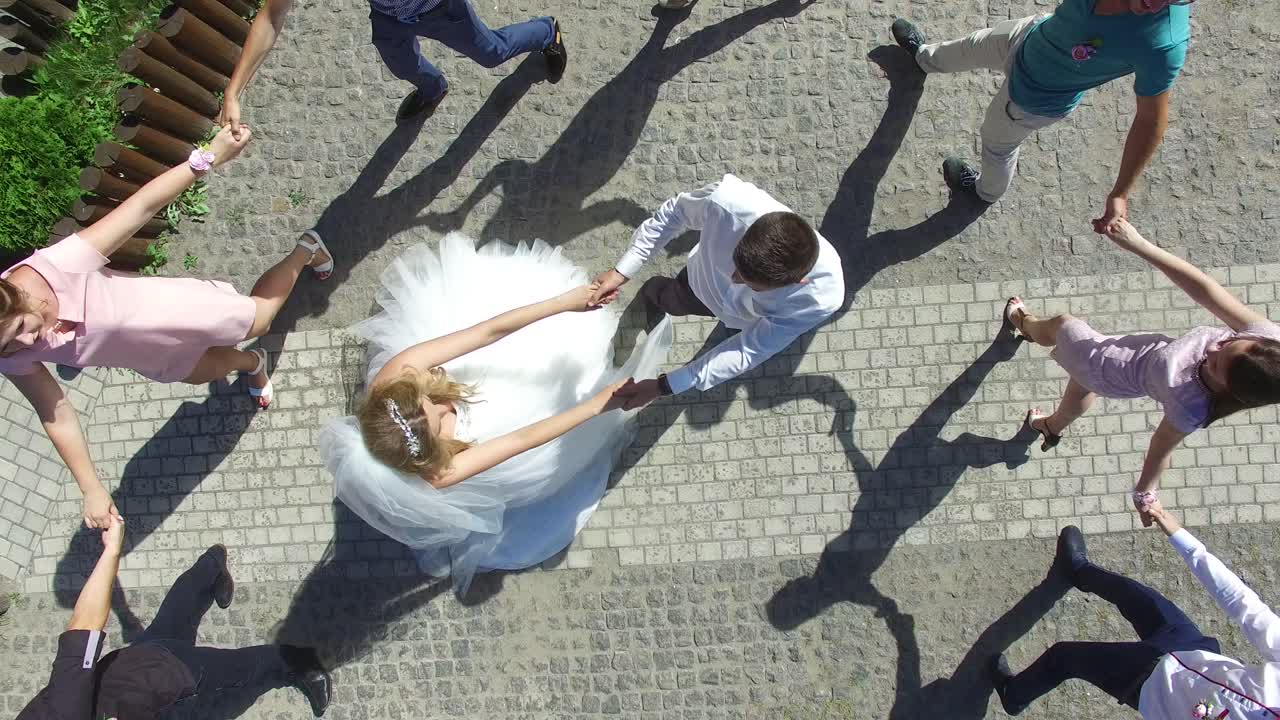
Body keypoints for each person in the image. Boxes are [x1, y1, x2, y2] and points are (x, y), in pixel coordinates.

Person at [0, 125, 333, 530]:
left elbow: (141, 207)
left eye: (21, 326)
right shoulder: (9, 354)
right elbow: (54, 412)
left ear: (13, 295)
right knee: (206, 371)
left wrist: (209, 156)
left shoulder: (57, 266)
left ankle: (305, 251)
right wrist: (91, 488)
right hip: (152, 356)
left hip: (178, 311)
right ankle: (254, 362)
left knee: (259, 318)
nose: (29, 341)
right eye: (11, 346)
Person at [319, 233, 671, 594]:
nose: (443, 405)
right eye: (439, 419)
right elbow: (523, 439)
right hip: (500, 424)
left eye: (427, 400)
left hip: (474, 370)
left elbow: (486, 332)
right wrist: (595, 406)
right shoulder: (439, 471)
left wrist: (565, 303)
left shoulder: (396, 375)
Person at [1003, 218, 1280, 523]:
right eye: (1227, 343)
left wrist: (1144, 493)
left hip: (1108, 365)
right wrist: (1140, 245)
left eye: (1215, 365)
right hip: (1124, 362)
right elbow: (1205, 290)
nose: (1212, 349)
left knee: (1063, 325)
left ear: (1230, 391)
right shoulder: (1268, 345)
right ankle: (1050, 426)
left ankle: (1026, 324)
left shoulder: (1191, 408)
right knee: (1081, 384)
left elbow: (1160, 449)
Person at [890, 0, 1191, 231]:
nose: (1157, 4)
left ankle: (985, 192)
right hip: (1028, 35)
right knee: (972, 45)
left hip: (1032, 100)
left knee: (997, 147)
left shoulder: (1164, 44)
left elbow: (1151, 119)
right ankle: (924, 58)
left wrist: (1120, 193)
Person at [16, 515, 332, 719]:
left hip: (159, 677)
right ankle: (211, 566)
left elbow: (83, 631)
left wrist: (111, 550)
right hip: (139, 676)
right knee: (173, 625)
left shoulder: (63, 712)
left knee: (238, 671)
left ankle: (299, 662)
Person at [588, 174, 844, 409]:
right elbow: (675, 212)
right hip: (699, 283)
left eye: (751, 285)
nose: (732, 279)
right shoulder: (727, 203)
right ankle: (651, 297)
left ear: (797, 282)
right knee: (670, 299)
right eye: (736, 266)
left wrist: (664, 386)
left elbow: (749, 350)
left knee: (727, 339)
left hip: (740, 317)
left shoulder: (820, 300)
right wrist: (623, 270)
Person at [990, 510, 1280, 717]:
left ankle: (1014, 694)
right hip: (1192, 652)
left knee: (1064, 657)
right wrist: (1180, 536)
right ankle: (1077, 570)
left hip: (1149, 686)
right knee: (1134, 595)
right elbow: (1244, 603)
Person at [219, 0, 568, 126]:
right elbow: (272, 15)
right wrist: (233, 93)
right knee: (403, 66)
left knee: (491, 53)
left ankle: (545, 31)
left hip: (441, 10)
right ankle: (434, 88)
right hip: (390, 17)